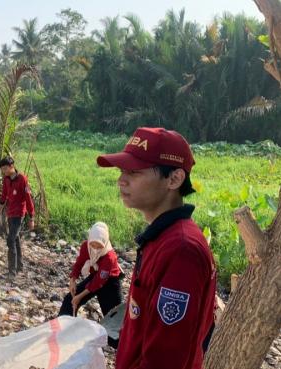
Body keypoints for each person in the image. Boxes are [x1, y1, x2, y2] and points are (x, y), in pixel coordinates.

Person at [97, 127, 216, 369]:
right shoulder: (161, 238)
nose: (121, 180)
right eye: (121, 171)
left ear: (174, 179)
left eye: (134, 172)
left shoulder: (182, 251)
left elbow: (166, 359)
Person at [58, 222, 122, 318]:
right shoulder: (86, 246)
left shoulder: (109, 256)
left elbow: (98, 281)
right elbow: (79, 264)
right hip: (95, 275)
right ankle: (63, 328)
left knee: (113, 316)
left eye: (99, 246)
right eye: (93, 245)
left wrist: (79, 297)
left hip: (110, 282)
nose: (95, 249)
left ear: (105, 243)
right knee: (69, 300)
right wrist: (72, 280)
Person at [0, 156, 35, 279]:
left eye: (5, 168)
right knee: (16, 239)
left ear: (11, 166)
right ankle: (19, 266)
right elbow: (4, 194)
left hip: (19, 214)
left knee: (11, 239)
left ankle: (12, 272)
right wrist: (1, 206)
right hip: (10, 212)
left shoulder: (22, 179)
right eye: (2, 169)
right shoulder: (7, 179)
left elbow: (28, 199)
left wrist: (31, 217)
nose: (4, 171)